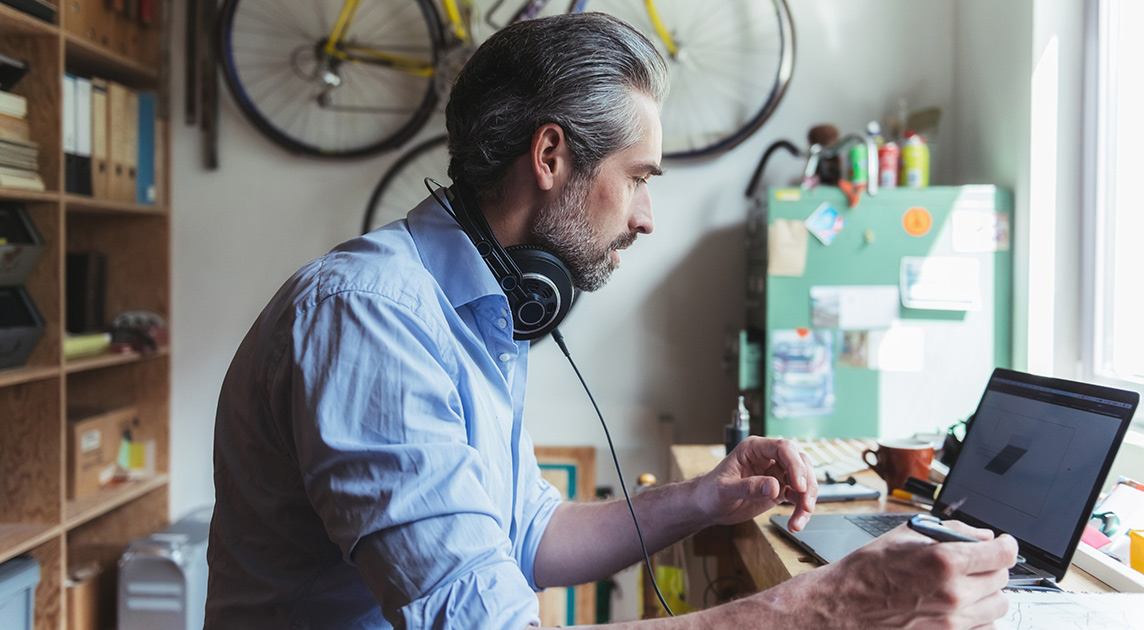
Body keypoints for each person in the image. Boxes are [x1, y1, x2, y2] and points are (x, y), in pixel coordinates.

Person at [205, 12, 1018, 630]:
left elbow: (528, 536)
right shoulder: (372, 318)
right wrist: (826, 604)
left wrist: (704, 498)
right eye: (638, 179)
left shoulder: (481, 307)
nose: (649, 217)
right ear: (550, 156)